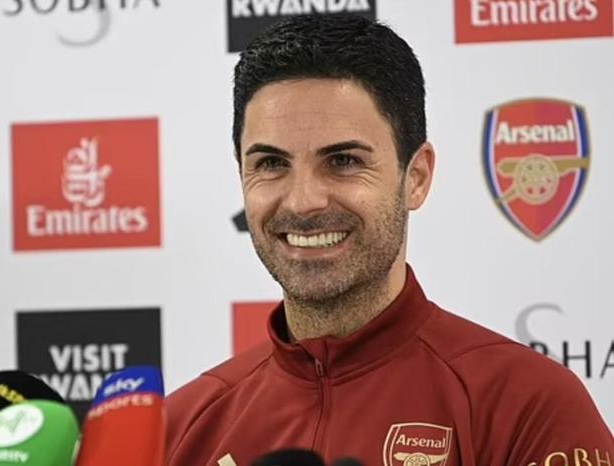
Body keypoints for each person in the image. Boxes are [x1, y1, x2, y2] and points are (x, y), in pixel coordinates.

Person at [165, 14, 613, 466]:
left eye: (343, 161)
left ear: (415, 177)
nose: (303, 201)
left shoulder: (528, 405)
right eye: (271, 164)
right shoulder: (180, 428)